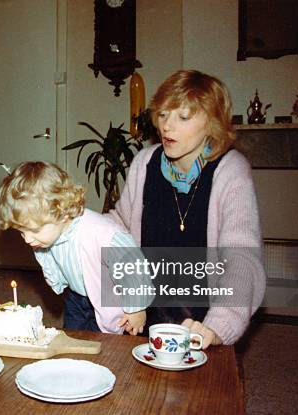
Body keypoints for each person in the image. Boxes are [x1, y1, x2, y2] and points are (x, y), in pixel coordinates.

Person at [107, 69, 266, 348]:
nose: (167, 126)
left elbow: (241, 259)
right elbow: (118, 226)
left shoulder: (231, 170)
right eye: (163, 114)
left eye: (183, 117)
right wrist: (72, 225)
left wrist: (218, 326)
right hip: (146, 313)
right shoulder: (144, 163)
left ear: (212, 123)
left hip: (203, 320)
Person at [0, 161, 150, 335]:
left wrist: (137, 307)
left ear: (61, 212)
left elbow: (132, 261)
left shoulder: (100, 232)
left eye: (33, 230)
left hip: (108, 299)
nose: (27, 239)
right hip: (76, 297)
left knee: (109, 344)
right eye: (21, 232)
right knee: (73, 337)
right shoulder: (45, 235)